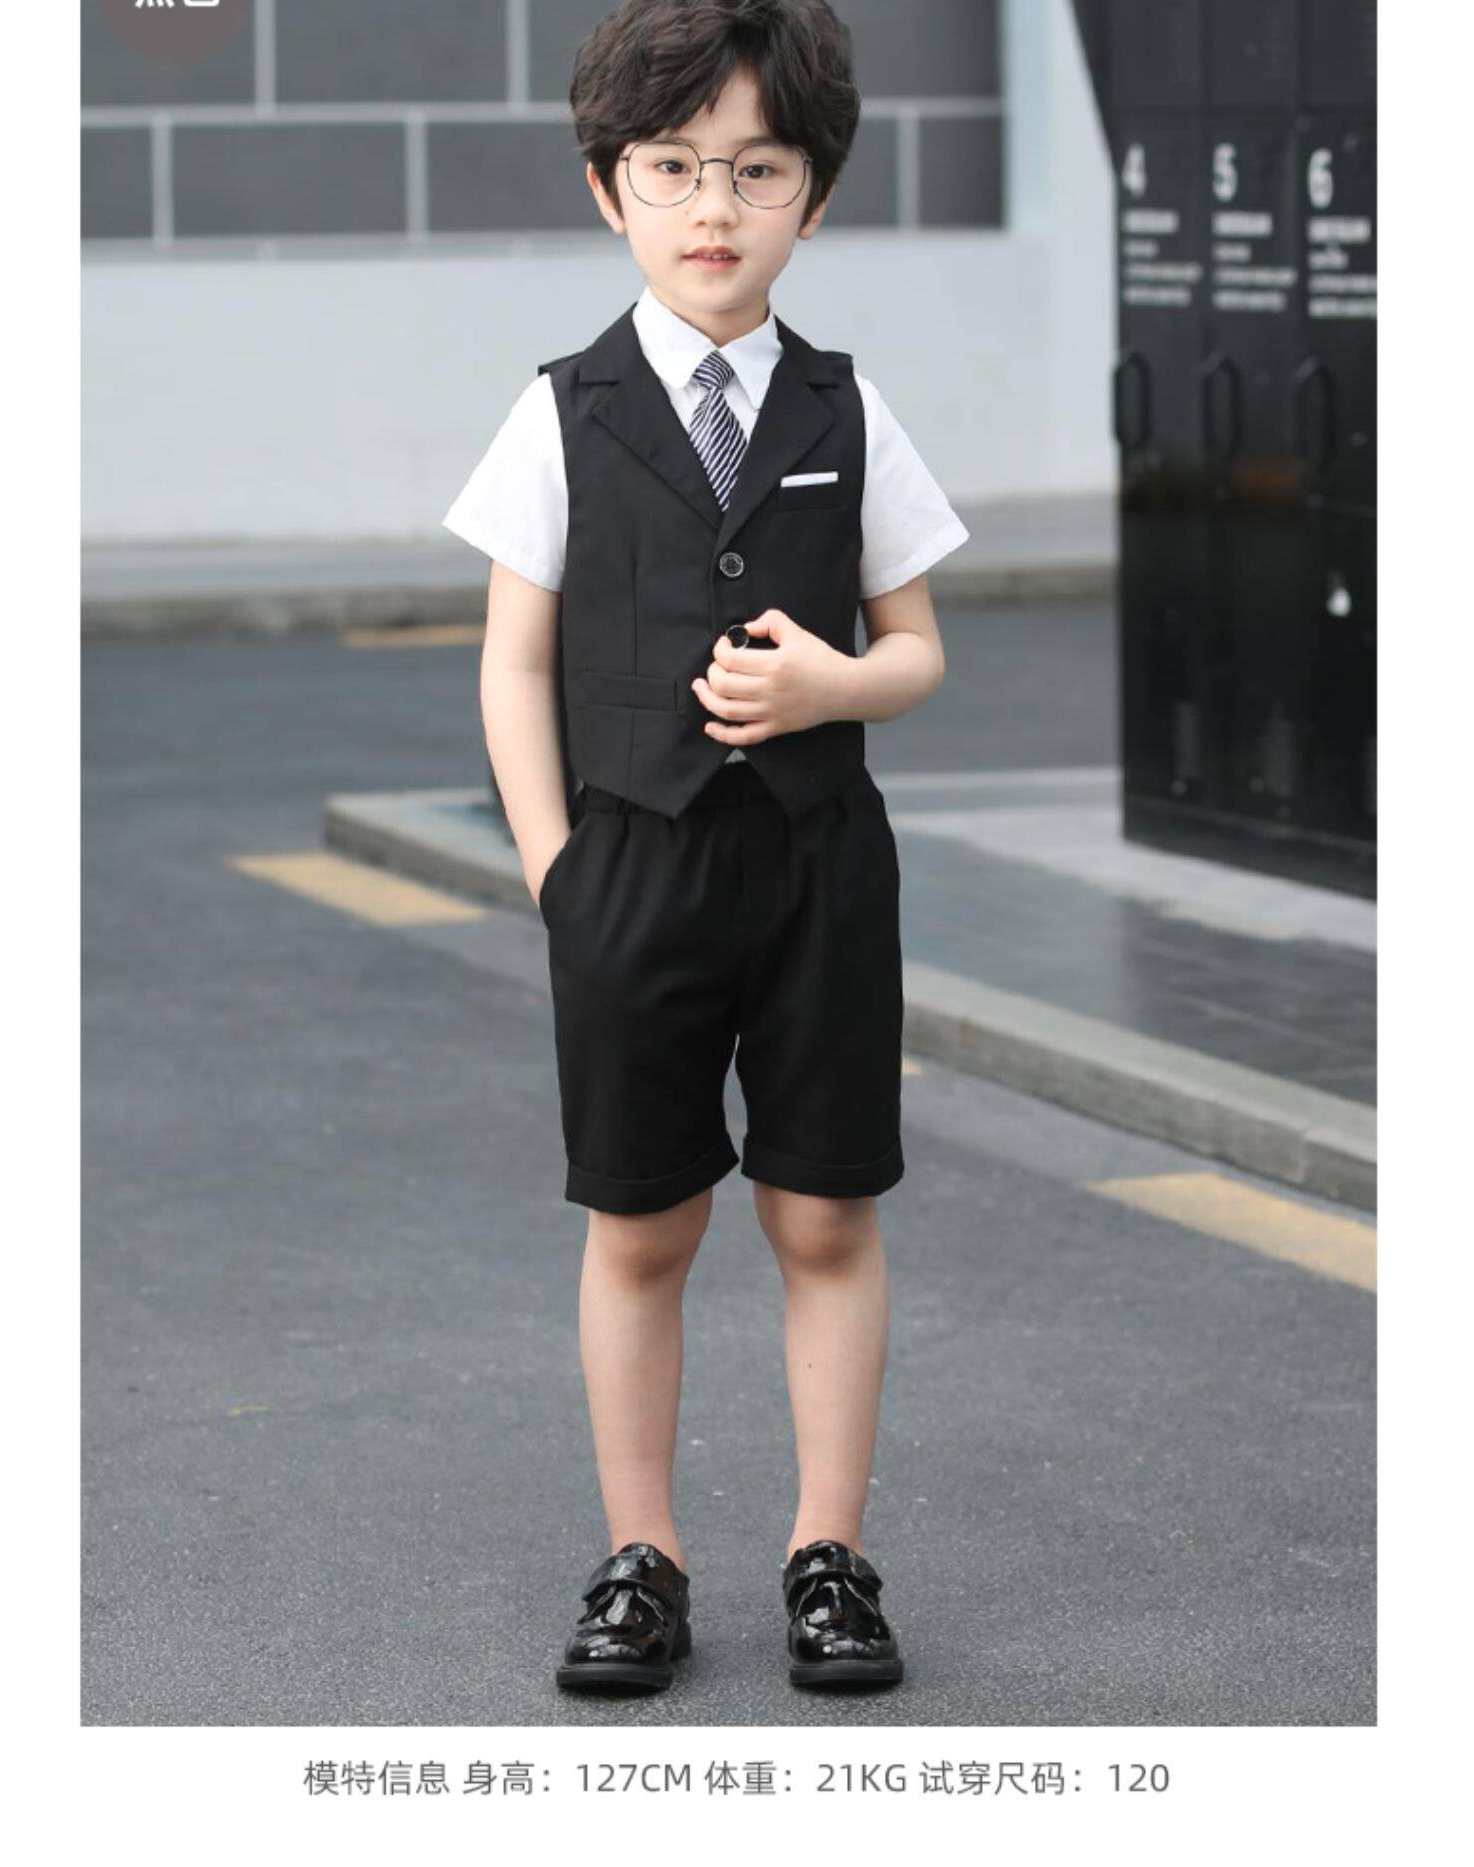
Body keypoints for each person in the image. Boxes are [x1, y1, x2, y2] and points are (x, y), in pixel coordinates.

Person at [442, 0, 968, 1695]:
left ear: (816, 194)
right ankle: (641, 1558)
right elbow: (512, 664)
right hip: (630, 873)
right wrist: (555, 873)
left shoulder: (845, 407)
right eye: (673, 169)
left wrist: (835, 685)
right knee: (642, 1224)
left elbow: (917, 647)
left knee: (824, 1217)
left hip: (820, 873)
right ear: (611, 190)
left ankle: (831, 1555)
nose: (714, 208)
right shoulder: (563, 411)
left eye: (756, 170)